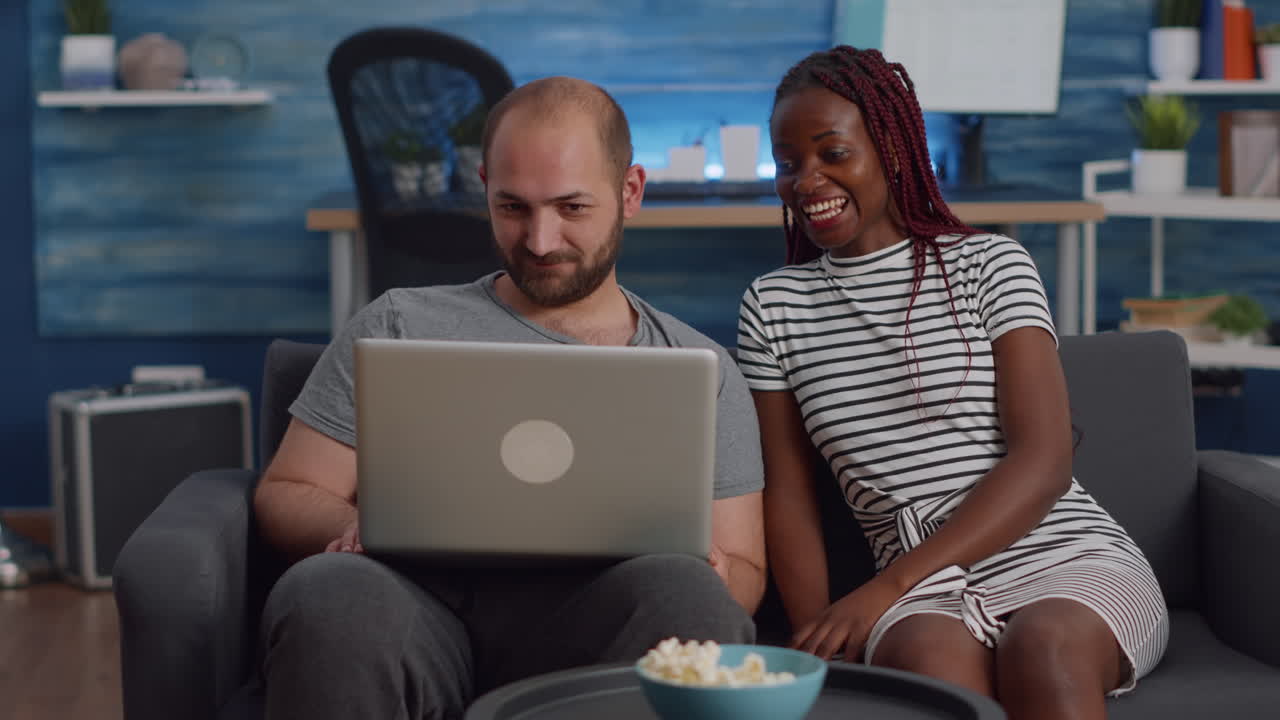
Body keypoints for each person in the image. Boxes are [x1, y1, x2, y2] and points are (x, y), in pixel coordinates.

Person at [252, 76, 766, 720]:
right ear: (484, 188)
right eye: (513, 207)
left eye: (572, 208)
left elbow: (744, 572)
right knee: (331, 588)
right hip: (411, 610)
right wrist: (347, 528)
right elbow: (288, 490)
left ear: (630, 192)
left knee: (690, 591)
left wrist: (716, 567)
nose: (540, 241)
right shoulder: (397, 323)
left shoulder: (699, 369)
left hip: (599, 625)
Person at [737, 46, 1168, 720]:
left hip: (1061, 553)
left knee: (1045, 646)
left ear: (894, 150)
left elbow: (1044, 461)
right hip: (919, 596)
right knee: (936, 675)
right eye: (787, 164)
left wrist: (882, 590)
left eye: (832, 153)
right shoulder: (772, 306)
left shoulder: (991, 264)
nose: (807, 181)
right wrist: (818, 634)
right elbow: (788, 494)